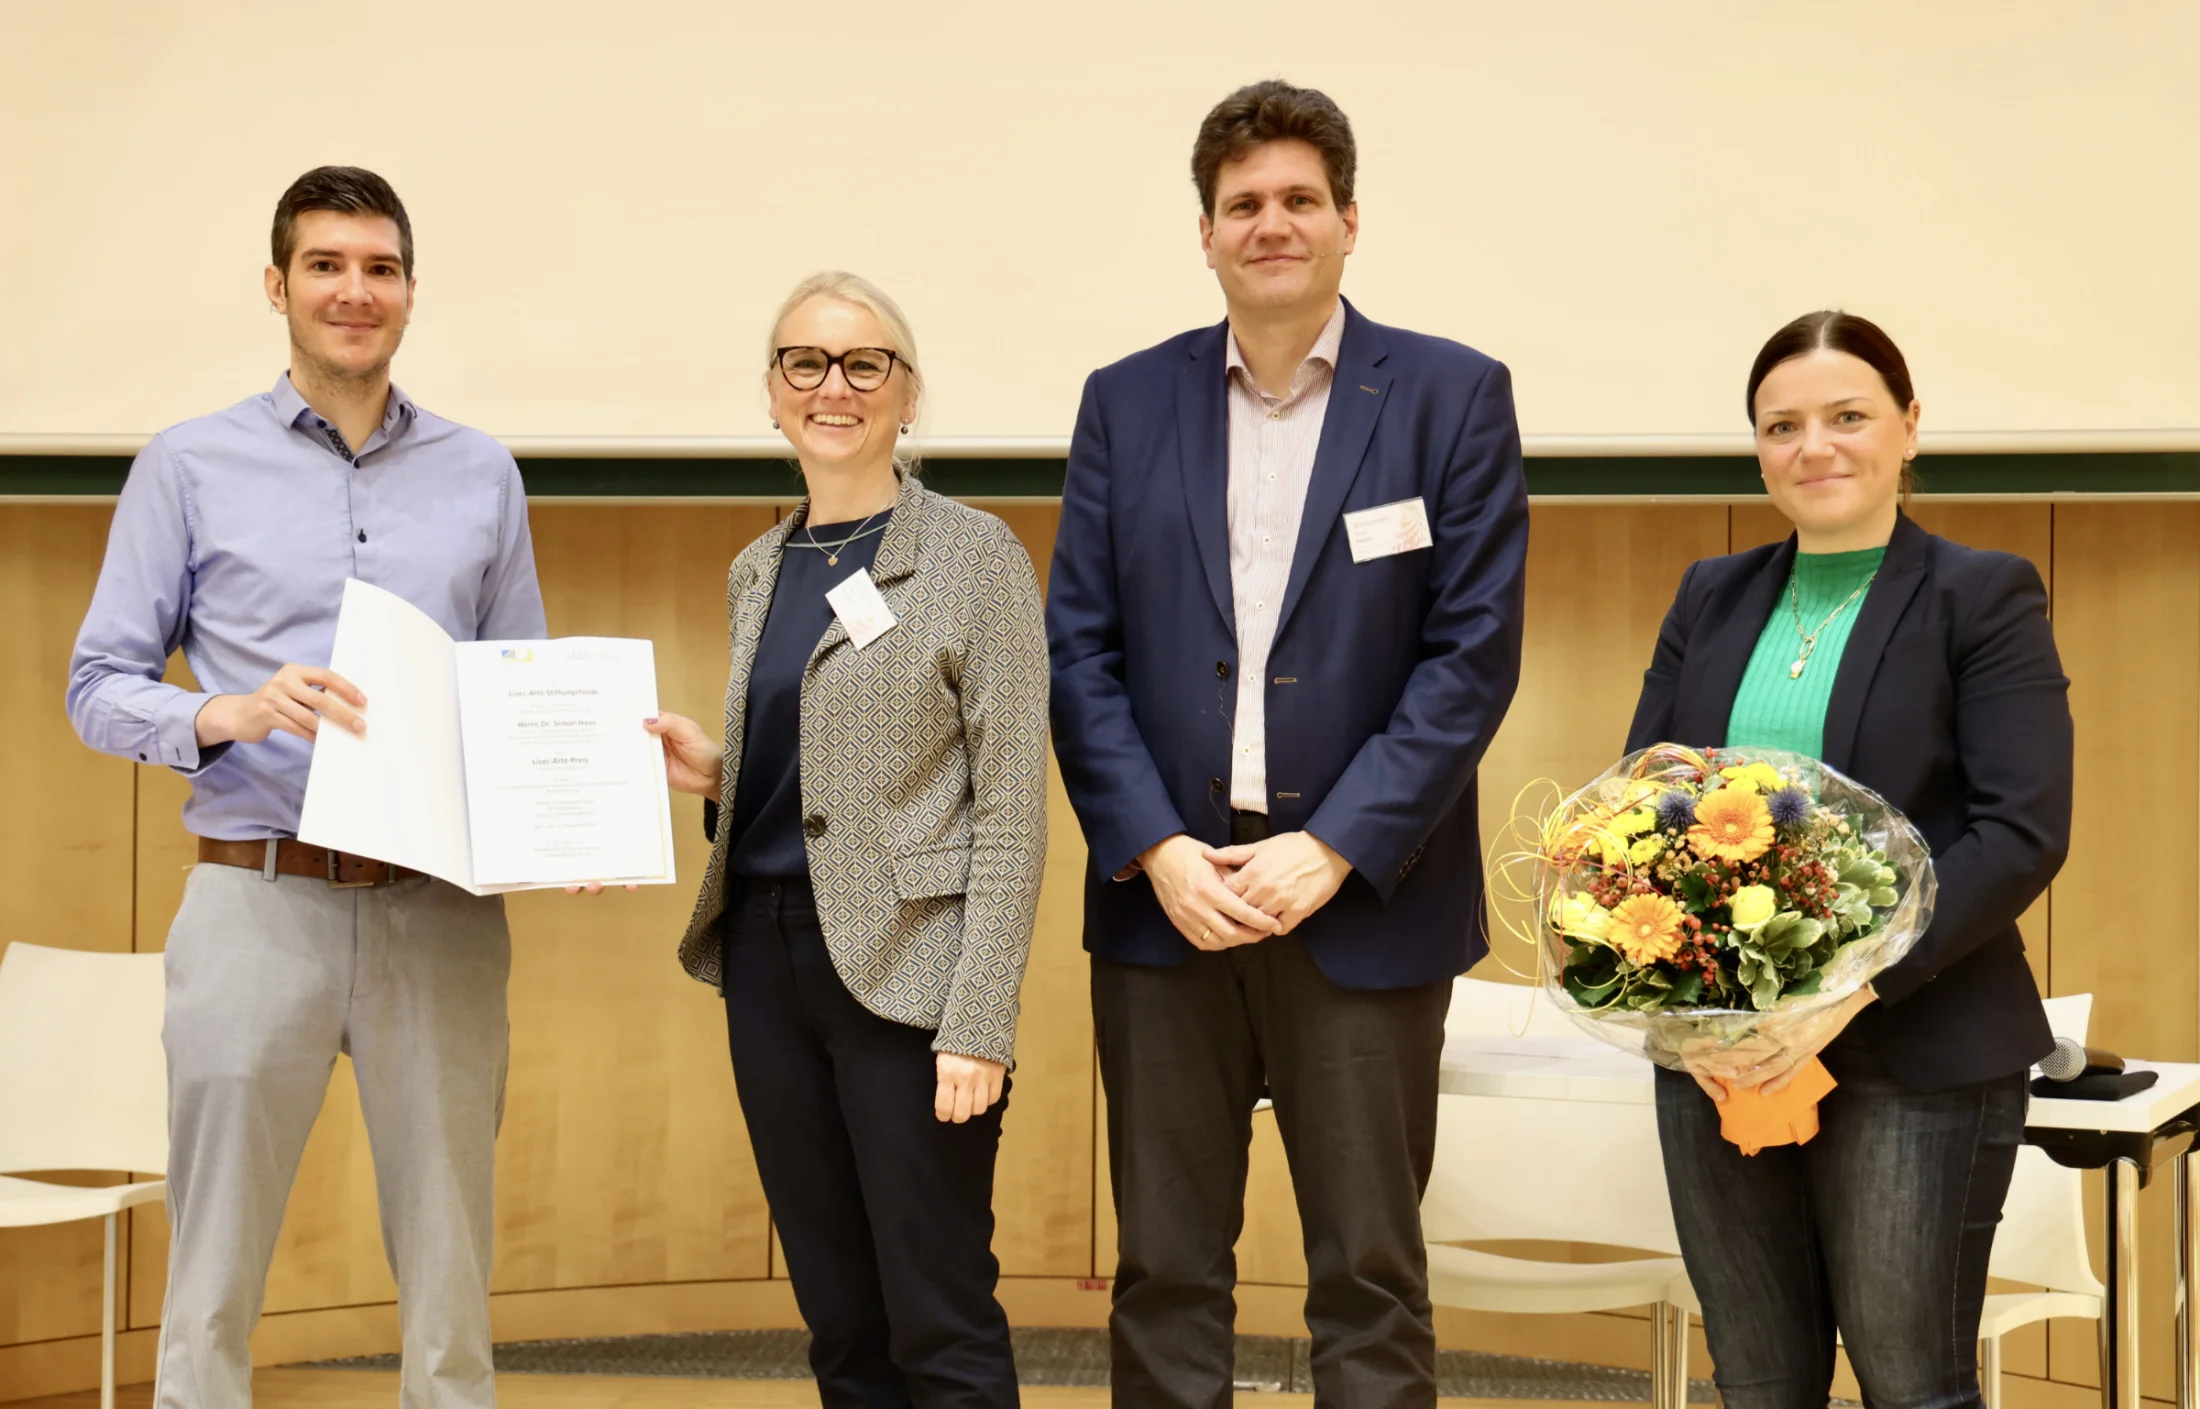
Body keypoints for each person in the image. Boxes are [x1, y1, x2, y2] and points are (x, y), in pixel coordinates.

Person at [1046, 80, 1530, 1406]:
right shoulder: (1124, 402)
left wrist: (1334, 845)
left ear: (1348, 222)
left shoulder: (1450, 396)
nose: (1272, 224)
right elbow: (1079, 652)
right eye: (1243, 203)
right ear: (1205, 232)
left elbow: (1469, 657)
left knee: (1369, 1274)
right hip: (1168, 907)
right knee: (1164, 1269)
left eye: (1299, 199)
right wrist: (1155, 847)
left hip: (1364, 902)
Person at [65, 167, 544, 1408]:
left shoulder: (483, 473)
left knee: (451, 1270)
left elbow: (516, 693)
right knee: (213, 1270)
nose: (354, 291)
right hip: (253, 897)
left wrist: (561, 816)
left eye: (380, 268)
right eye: (326, 265)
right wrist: (220, 712)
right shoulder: (186, 464)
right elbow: (97, 684)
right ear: (278, 287)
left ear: (411, 292)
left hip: (439, 911)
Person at [1626, 310, 2072, 1409]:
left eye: (1847, 416)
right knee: (1759, 1384)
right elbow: (1641, 809)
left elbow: (2020, 827)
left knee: (1911, 1386)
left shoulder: (1982, 593)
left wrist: (1847, 991)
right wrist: (1690, 1010)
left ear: (1909, 427)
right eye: (1781, 426)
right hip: (1725, 1057)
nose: (1813, 446)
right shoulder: (1708, 594)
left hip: (1913, 1049)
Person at [638, 272, 1047, 1409]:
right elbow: (828, 769)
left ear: (907, 396)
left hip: (910, 980)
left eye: (865, 364)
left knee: (939, 1313)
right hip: (766, 966)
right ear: (773, 394)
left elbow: (1012, 807)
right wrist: (724, 775)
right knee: (840, 1319)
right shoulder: (757, 567)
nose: (834, 386)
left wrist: (980, 1021)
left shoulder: (976, 555)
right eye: (805, 363)